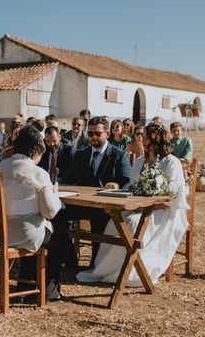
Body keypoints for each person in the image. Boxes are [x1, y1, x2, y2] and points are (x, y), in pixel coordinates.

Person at [77, 121, 189, 286]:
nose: (140, 139)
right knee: (115, 221)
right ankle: (105, 269)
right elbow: (131, 186)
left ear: (154, 139)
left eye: (143, 137)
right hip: (137, 207)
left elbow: (173, 197)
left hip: (163, 211)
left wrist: (146, 205)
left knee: (130, 222)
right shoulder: (140, 161)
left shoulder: (171, 162)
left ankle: (128, 270)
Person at [0, 125, 63, 302]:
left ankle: (26, 287)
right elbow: (50, 211)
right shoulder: (38, 172)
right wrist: (54, 192)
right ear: (37, 150)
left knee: (34, 229)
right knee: (59, 236)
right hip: (25, 234)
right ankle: (48, 291)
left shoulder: (1, 166)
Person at [61, 116, 131, 262]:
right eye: (90, 133)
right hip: (80, 204)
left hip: (104, 207)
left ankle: (96, 262)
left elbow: (126, 183)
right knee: (56, 214)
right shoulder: (80, 154)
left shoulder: (119, 156)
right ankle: (68, 258)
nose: (93, 137)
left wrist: (115, 187)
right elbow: (67, 180)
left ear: (107, 133)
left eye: (97, 133)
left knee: (99, 219)